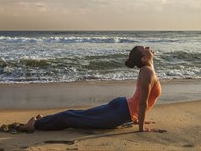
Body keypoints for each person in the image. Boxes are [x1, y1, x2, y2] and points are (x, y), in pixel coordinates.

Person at [21, 46, 164, 133]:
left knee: (78, 115)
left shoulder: (149, 69)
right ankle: (35, 124)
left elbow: (140, 99)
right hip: (120, 111)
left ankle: (45, 120)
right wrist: (141, 129)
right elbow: (142, 102)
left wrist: (138, 118)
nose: (148, 47)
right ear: (144, 59)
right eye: (145, 48)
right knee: (75, 118)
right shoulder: (147, 71)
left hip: (122, 109)